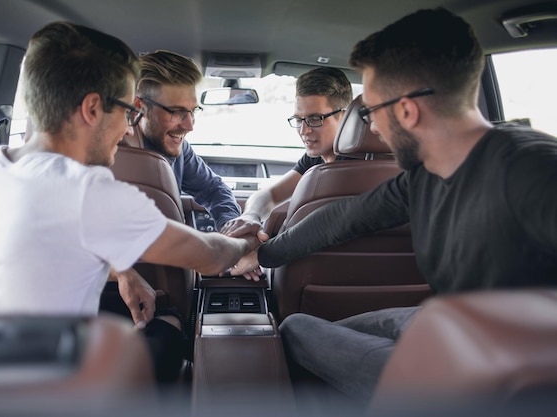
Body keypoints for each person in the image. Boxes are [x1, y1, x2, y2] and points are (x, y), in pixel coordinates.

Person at [231, 7, 557, 405]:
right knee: (308, 327)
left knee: (295, 329)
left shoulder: (534, 168)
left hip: (484, 378)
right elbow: (344, 218)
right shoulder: (428, 174)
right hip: (448, 329)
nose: (371, 128)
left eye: (368, 113)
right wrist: (261, 253)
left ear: (407, 110)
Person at [0, 21, 259, 384]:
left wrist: (122, 270)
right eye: (126, 111)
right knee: (166, 325)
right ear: (92, 108)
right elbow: (210, 257)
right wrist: (247, 241)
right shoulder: (88, 189)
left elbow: (40, 243)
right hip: (38, 390)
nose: (127, 126)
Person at [221, 67, 354, 238]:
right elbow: (271, 194)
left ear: (344, 117)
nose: (303, 131)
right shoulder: (315, 159)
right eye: (299, 120)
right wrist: (251, 216)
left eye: (315, 119)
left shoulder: (357, 169)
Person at [133, 50, 241, 231]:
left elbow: (213, 189)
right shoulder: (111, 154)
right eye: (177, 112)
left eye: (193, 111)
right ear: (140, 107)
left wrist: (231, 226)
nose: (190, 126)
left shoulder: (180, 149)